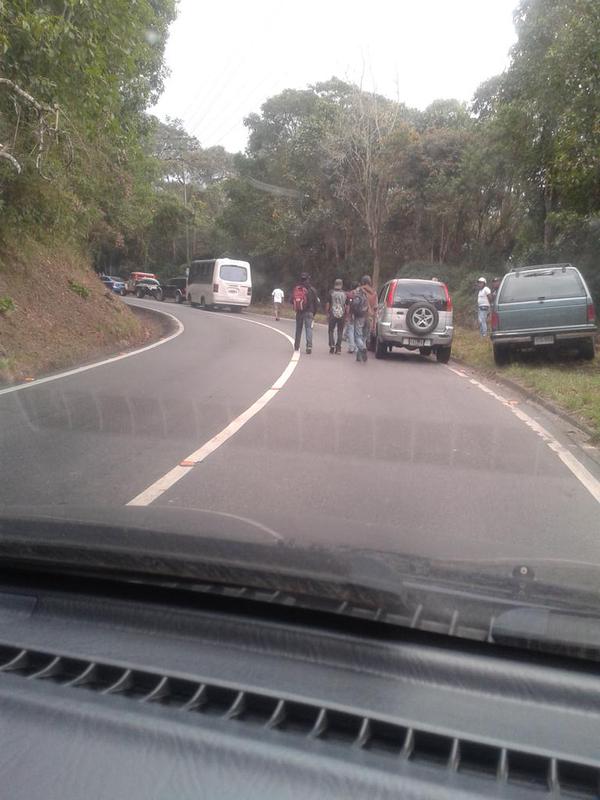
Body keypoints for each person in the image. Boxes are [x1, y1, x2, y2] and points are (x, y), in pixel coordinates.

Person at [290, 272, 319, 353]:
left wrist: (298, 305)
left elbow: (291, 300)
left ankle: (296, 346)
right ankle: (309, 347)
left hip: (299, 312)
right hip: (309, 312)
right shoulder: (312, 290)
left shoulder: (297, 288)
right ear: (308, 279)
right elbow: (316, 303)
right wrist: (314, 313)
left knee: (298, 329)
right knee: (309, 329)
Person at [351, 279, 371, 363]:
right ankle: (359, 357)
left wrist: (352, 313)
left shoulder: (357, 293)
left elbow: (354, 305)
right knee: (363, 337)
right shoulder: (371, 293)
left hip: (359, 317)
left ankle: (363, 348)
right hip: (368, 317)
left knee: (357, 337)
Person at [326, 278, 347, 354]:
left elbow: (328, 304)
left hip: (332, 313)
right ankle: (338, 348)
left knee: (331, 330)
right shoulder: (344, 294)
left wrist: (327, 313)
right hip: (342, 314)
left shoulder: (331, 292)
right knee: (340, 331)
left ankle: (332, 345)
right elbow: (347, 306)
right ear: (341, 285)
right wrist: (346, 315)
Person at [344, 281, 359, 353]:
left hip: (351, 314)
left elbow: (348, 305)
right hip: (359, 314)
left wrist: (347, 314)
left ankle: (351, 347)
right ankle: (357, 348)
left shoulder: (350, 294)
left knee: (351, 330)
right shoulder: (361, 293)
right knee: (357, 331)